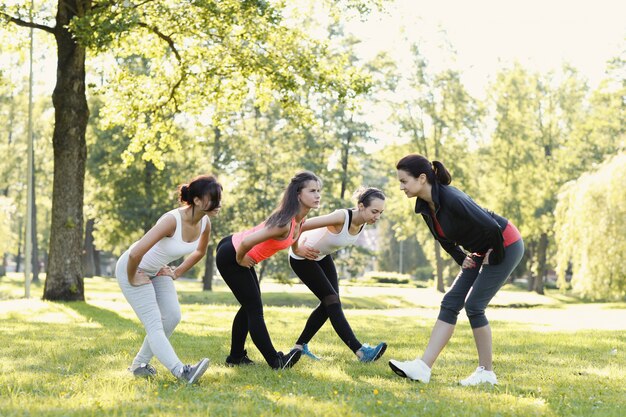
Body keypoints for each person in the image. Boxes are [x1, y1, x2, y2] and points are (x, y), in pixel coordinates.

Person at [388, 155, 524, 386]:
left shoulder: (452, 198)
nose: (401, 187)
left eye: (404, 181)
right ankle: (423, 368)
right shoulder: (424, 206)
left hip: (506, 243)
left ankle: (486, 373)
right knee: (451, 302)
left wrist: (497, 254)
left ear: (422, 178)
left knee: (474, 306)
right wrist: (461, 258)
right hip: (482, 248)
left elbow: (490, 225)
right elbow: (444, 239)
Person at [115, 175, 222, 384]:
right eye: (214, 198)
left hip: (157, 271)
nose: (218, 204)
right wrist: (132, 277)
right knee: (154, 324)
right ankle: (182, 372)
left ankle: (138, 365)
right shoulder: (171, 220)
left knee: (172, 316)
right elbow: (135, 253)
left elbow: (200, 251)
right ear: (197, 200)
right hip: (133, 268)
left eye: (220, 198)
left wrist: (177, 272)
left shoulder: (204, 223)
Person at [215, 171, 322, 369]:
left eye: (319, 191)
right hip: (232, 254)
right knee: (255, 310)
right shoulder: (284, 222)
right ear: (299, 194)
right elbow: (247, 241)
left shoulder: (299, 220)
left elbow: (294, 239)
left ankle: (236, 357)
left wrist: (299, 250)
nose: (318, 195)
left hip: (236, 251)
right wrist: (241, 258)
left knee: (250, 307)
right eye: (312, 191)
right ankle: (275, 361)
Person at [288, 187, 387, 362]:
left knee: (331, 303)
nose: (377, 217)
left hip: (322, 256)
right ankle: (361, 352)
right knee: (332, 301)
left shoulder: (363, 221)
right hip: (302, 257)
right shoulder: (341, 217)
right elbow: (298, 225)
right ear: (361, 206)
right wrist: (297, 248)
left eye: (380, 212)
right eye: (374, 211)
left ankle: (299, 346)